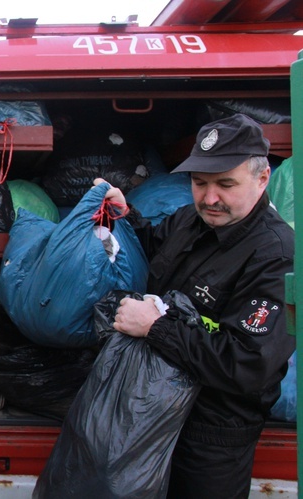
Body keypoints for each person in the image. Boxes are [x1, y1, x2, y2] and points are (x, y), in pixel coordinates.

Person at [97, 113, 295, 498]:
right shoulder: (192, 219)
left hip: (211, 440)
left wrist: (155, 327)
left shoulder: (277, 255)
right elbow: (151, 248)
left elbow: (247, 364)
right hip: (150, 411)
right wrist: (125, 216)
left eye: (225, 184)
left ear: (262, 178)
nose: (209, 198)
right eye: (199, 183)